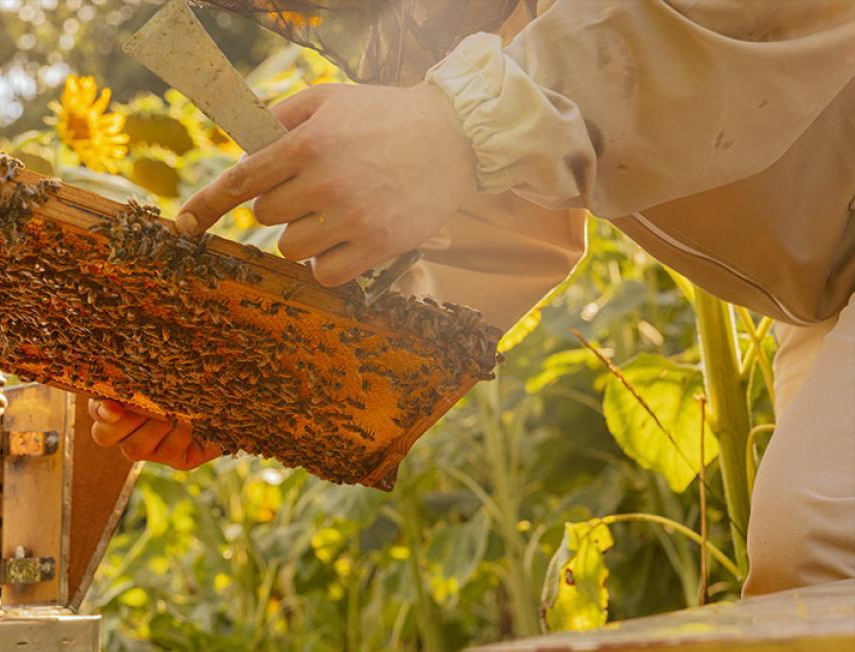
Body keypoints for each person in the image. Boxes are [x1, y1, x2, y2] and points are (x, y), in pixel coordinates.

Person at [88, 0, 855, 597]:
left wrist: (456, 125)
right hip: (829, 293)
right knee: (808, 595)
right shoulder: (469, 23)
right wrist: (264, 381)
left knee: (819, 541)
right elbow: (500, 236)